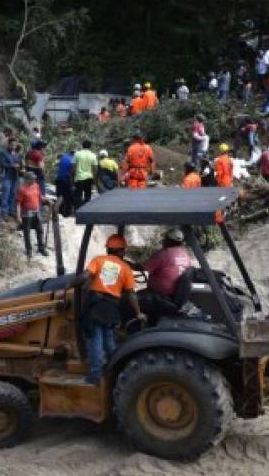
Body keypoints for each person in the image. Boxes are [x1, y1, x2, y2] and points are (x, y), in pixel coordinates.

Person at [78, 234, 145, 384]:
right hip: (112, 307)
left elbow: (85, 276)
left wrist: (70, 284)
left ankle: (95, 375)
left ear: (108, 249)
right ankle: (116, 368)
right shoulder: (126, 268)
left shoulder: (99, 260)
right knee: (108, 338)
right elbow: (131, 294)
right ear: (122, 251)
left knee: (95, 339)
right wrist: (138, 313)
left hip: (95, 306)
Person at [136, 228, 193, 321]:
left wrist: (127, 264)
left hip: (161, 297)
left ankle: (129, 330)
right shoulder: (186, 256)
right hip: (176, 297)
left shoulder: (164, 254)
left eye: (165, 239)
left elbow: (142, 268)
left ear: (168, 240)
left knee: (131, 301)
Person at [16, 171, 47, 258]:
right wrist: (18, 216)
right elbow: (18, 204)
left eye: (34, 179)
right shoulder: (22, 189)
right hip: (27, 214)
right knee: (27, 232)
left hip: (36, 212)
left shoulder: (36, 186)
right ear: (27, 180)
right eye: (32, 179)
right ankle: (29, 250)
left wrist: (47, 200)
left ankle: (41, 248)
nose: (34, 180)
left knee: (40, 230)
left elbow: (40, 196)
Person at [0, 137, 21, 220]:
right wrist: (12, 166)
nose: (13, 146)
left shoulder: (17, 154)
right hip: (6, 177)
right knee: (6, 195)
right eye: (12, 145)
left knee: (13, 195)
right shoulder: (3, 153)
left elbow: (19, 164)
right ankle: (4, 213)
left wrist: (20, 167)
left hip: (15, 177)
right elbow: (2, 164)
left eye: (15, 145)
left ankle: (11, 211)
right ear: (8, 144)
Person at [73, 139, 98, 208]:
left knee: (78, 195)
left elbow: (73, 167)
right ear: (90, 146)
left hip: (79, 177)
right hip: (89, 178)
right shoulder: (93, 155)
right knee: (88, 195)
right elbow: (95, 168)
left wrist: (73, 177)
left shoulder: (77, 154)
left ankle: (77, 211)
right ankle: (86, 210)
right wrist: (94, 179)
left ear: (82, 146)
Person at [55, 150, 75, 216]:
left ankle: (59, 211)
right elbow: (72, 170)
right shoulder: (72, 159)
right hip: (65, 179)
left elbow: (57, 165)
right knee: (68, 196)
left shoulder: (63, 157)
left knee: (60, 195)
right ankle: (68, 212)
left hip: (58, 179)